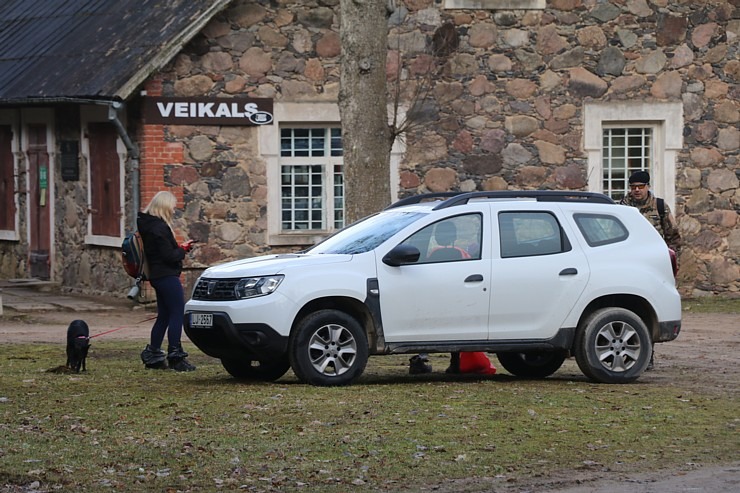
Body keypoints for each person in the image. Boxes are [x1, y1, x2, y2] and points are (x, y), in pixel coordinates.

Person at [620, 170, 682, 370]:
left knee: (649, 309)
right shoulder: (622, 207)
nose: (637, 191)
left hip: (653, 265)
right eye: (633, 187)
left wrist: (671, 262)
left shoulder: (660, 207)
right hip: (627, 263)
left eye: (640, 187)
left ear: (647, 187)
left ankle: (648, 355)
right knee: (629, 309)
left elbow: (673, 236)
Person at [137, 191, 197, 372]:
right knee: (177, 313)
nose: (173, 209)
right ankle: (176, 355)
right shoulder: (159, 228)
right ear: (164, 206)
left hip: (157, 274)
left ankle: (154, 354)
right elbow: (168, 256)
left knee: (164, 315)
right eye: (172, 206)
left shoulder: (147, 225)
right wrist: (183, 250)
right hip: (166, 275)